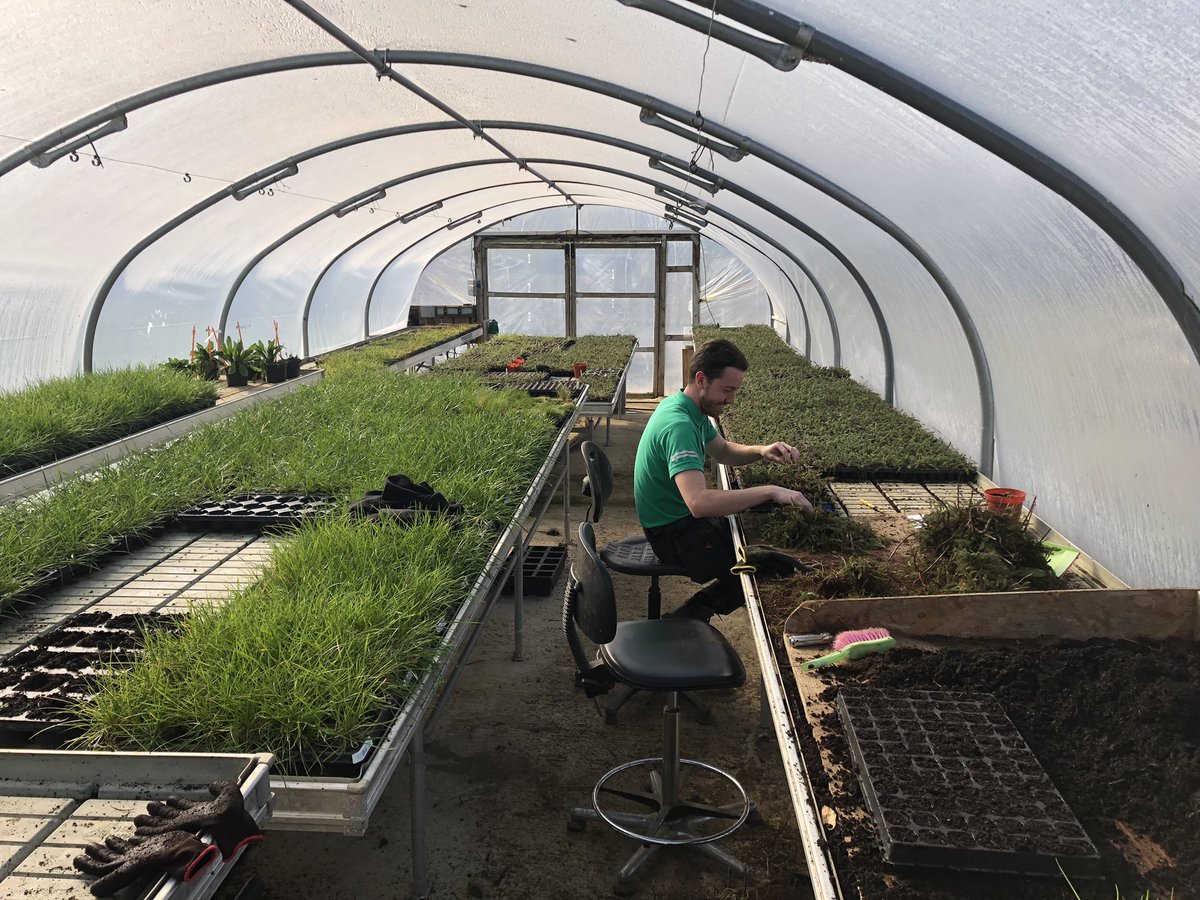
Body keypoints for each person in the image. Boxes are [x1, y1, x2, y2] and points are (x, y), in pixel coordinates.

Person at [633, 338, 812, 622]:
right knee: (768, 566)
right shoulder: (679, 426)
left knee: (758, 549)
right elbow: (699, 503)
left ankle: (691, 615)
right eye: (726, 390)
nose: (731, 400)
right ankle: (685, 619)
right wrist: (770, 491)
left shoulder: (686, 407)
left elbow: (723, 451)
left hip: (676, 524)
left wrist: (762, 451)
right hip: (674, 536)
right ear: (701, 379)